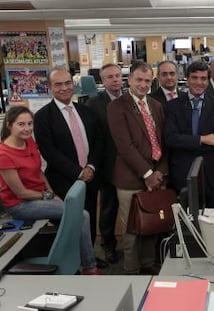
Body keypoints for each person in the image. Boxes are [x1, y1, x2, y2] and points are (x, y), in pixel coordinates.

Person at [0, 106, 100, 275]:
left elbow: (38, 172)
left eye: (30, 124)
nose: (27, 129)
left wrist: (53, 194)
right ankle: (90, 266)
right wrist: (49, 196)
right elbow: (21, 193)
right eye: (21, 124)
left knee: (74, 212)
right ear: (9, 126)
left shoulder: (29, 142)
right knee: (82, 215)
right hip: (20, 205)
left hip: (38, 197)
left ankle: (76, 260)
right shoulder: (4, 154)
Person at [34, 67, 104, 264]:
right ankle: (69, 262)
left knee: (89, 219)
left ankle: (89, 259)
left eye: (67, 83)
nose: (64, 88)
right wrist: (78, 172)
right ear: (50, 87)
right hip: (63, 180)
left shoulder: (86, 110)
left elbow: (98, 142)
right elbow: (49, 152)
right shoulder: (42, 117)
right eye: (58, 84)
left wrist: (91, 167)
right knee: (68, 224)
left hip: (90, 177)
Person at [107, 61, 168, 275]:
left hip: (156, 176)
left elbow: (161, 141)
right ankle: (131, 269)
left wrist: (160, 170)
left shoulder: (156, 105)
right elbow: (125, 146)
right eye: (138, 80)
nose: (143, 84)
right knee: (131, 228)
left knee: (152, 223)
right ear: (129, 80)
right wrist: (148, 173)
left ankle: (147, 264)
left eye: (147, 80)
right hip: (130, 178)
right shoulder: (117, 106)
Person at [165, 60, 214, 207]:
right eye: (194, 78)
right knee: (185, 221)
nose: (199, 82)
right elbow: (170, 138)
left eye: (203, 78)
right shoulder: (172, 106)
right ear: (187, 79)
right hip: (183, 172)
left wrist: (186, 141)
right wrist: (202, 139)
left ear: (208, 80)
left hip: (212, 173)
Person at [85, 63, 123, 264]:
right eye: (110, 77)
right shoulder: (93, 104)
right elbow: (93, 137)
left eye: (117, 75)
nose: (115, 79)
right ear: (102, 81)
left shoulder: (129, 99)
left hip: (130, 164)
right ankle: (108, 245)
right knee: (109, 207)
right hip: (107, 165)